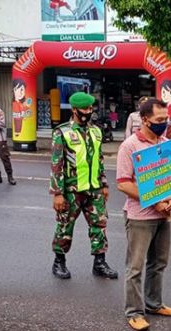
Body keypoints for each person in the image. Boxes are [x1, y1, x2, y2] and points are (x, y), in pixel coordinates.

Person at [116, 98, 171, 331]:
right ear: (144, 119)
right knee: (135, 267)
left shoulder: (166, 143)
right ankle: (134, 312)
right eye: (159, 120)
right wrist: (155, 202)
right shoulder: (130, 146)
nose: (164, 124)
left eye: (166, 119)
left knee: (159, 263)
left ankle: (154, 303)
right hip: (139, 217)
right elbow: (123, 183)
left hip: (164, 215)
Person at [49, 92, 118, 281]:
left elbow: (99, 160)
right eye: (85, 109)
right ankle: (59, 262)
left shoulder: (96, 131)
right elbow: (57, 164)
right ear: (74, 109)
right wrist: (57, 193)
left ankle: (100, 263)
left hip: (94, 189)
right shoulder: (62, 132)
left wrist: (104, 184)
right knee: (65, 226)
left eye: (90, 108)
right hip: (71, 190)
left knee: (99, 225)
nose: (89, 112)